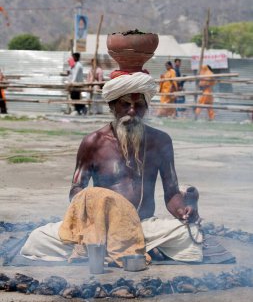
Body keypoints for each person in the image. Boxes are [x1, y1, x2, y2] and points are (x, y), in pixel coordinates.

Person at [21, 71, 202, 264]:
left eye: (138, 105)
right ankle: (135, 251)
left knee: (191, 236)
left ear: (146, 107)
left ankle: (108, 253)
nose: (132, 112)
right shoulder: (93, 142)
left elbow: (172, 192)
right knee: (37, 239)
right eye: (125, 104)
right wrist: (89, 205)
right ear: (112, 106)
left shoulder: (160, 141)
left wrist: (183, 211)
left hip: (142, 226)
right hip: (98, 228)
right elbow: (76, 188)